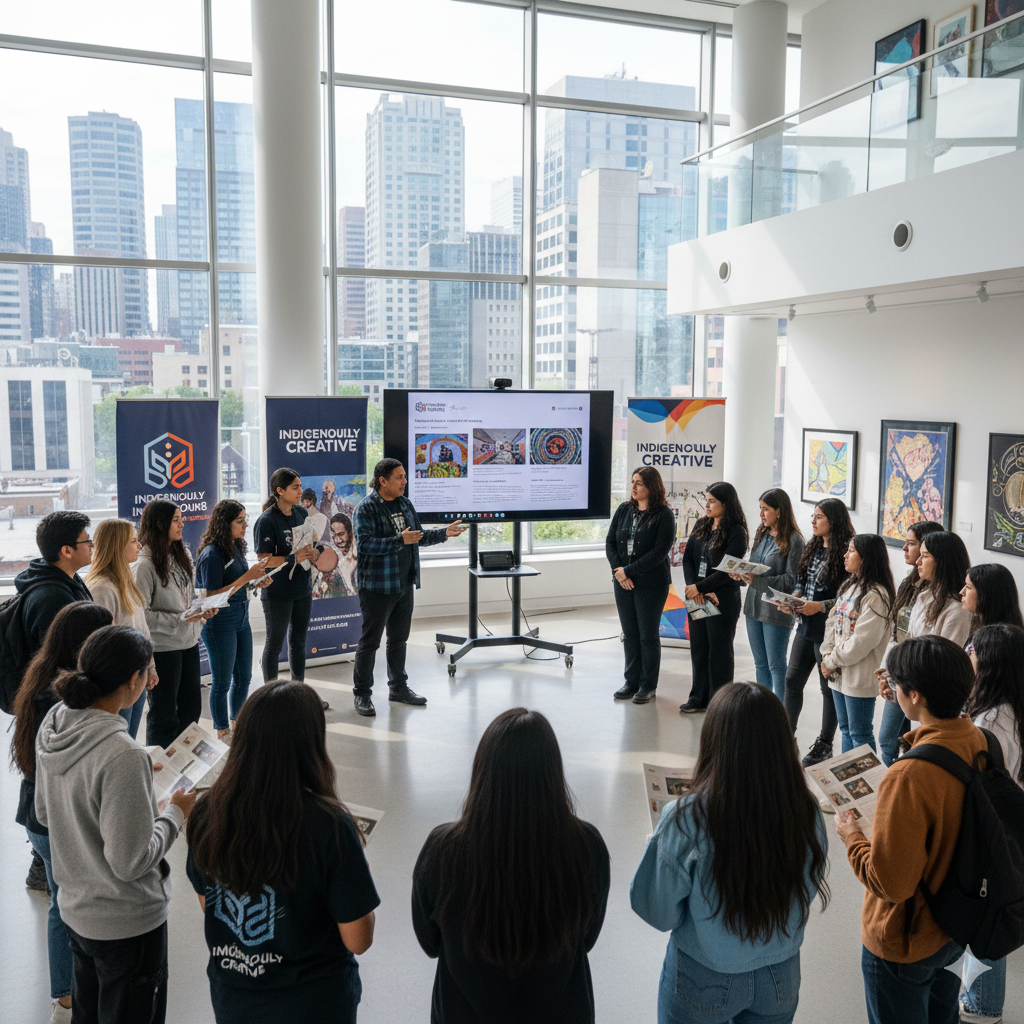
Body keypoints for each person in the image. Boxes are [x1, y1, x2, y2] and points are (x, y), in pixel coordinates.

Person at [631, 682, 830, 1024]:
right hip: (780, 975)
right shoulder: (806, 809)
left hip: (702, 976)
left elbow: (656, 911)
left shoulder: (685, 818)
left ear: (713, 742)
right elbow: (806, 888)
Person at [186, 681, 379, 1024]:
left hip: (235, 998)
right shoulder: (329, 825)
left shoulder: (205, 814)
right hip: (314, 1002)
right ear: (310, 744)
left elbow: (209, 904)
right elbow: (358, 939)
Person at [34, 624, 196, 1024]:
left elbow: (43, 812)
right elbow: (130, 861)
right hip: (126, 925)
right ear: (134, 680)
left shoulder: (56, 724)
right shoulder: (120, 755)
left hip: (77, 911)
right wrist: (175, 812)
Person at [412, 708, 610, 1024]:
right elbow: (586, 940)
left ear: (482, 772)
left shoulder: (441, 850)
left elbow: (430, 943)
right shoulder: (587, 847)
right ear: (553, 774)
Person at [836, 635, 987, 1024]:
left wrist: (852, 838)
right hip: (956, 923)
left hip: (907, 938)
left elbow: (892, 883)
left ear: (915, 695)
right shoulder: (978, 740)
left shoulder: (909, 775)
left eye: (896, 683)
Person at [11, 601, 113, 1024]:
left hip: (39, 814)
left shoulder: (43, 678)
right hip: (55, 817)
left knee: (61, 902)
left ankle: (66, 997)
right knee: (70, 905)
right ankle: (72, 995)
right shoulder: (64, 696)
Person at [11, 510, 94, 894]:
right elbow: (62, 663)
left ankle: (42, 860)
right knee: (45, 785)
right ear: (66, 550)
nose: (91, 546)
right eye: (85, 541)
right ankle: (41, 864)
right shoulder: (49, 597)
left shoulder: (70, 583)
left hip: (60, 704)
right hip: (51, 707)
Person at [350, 458, 465, 717]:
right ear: (383, 480)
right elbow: (365, 545)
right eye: (399, 477)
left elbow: (418, 537)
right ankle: (362, 694)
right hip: (377, 587)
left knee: (399, 640)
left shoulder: (405, 504)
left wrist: (445, 532)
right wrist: (398, 540)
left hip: (404, 584)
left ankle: (398, 688)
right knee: (370, 642)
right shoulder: (366, 509)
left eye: (404, 476)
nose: (405, 482)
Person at [959, 623, 1024, 1024]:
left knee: (987, 922)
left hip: (993, 833)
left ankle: (983, 1006)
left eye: (974, 650)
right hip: (1010, 830)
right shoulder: (1008, 706)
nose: (968, 655)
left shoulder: (992, 721)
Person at [876, 530, 971, 766]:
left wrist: (900, 678)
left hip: (932, 696)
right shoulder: (924, 596)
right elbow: (906, 640)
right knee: (889, 740)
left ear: (942, 562)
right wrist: (891, 674)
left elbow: (944, 665)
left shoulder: (956, 610)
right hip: (908, 683)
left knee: (922, 750)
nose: (918, 560)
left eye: (925, 555)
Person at [781, 497, 855, 766]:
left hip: (830, 633)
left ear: (833, 521)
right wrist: (796, 598)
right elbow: (802, 579)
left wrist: (819, 606)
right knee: (792, 681)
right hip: (805, 626)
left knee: (828, 690)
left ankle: (824, 744)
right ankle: (787, 737)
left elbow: (849, 598)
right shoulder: (812, 547)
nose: (813, 521)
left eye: (819, 517)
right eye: (813, 516)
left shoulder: (849, 552)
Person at [135, 500, 213, 749]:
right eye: (176, 520)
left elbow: (187, 598)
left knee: (192, 709)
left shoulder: (182, 553)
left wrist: (201, 608)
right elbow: (141, 615)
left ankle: (184, 764)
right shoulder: (144, 565)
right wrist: (181, 618)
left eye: (182, 518)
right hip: (162, 649)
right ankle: (159, 772)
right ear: (160, 524)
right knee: (164, 714)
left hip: (189, 641)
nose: (182, 524)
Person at [195, 500, 271, 739]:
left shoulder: (235, 547)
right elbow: (211, 596)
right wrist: (248, 576)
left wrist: (255, 581)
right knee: (221, 682)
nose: (245, 525)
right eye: (240, 521)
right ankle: (221, 730)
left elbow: (238, 583)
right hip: (220, 620)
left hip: (242, 616)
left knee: (244, 676)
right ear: (223, 523)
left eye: (245, 519)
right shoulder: (211, 554)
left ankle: (237, 723)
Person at [819, 535, 895, 755]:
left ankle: (867, 787)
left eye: (851, 551)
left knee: (859, 733)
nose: (845, 555)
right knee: (845, 729)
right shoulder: (849, 586)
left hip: (858, 678)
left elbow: (862, 642)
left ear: (866, 558)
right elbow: (832, 622)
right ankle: (848, 785)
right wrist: (826, 654)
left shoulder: (877, 595)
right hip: (838, 674)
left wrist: (831, 660)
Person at [253, 468, 324, 702]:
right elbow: (263, 561)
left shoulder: (302, 512)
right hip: (277, 592)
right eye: (295, 487)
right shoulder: (266, 520)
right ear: (279, 491)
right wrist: (294, 558)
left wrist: (313, 552)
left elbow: (311, 541)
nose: (300, 490)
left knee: (298, 642)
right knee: (274, 645)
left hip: (302, 589)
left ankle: (298, 695)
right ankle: (270, 698)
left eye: (300, 486)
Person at [605, 467, 675, 703]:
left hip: (651, 584)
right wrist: (619, 573)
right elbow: (611, 542)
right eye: (632, 482)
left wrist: (628, 571)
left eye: (640, 483)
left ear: (652, 487)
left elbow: (658, 553)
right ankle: (631, 681)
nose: (633, 487)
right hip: (623, 582)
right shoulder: (624, 509)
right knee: (630, 633)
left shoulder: (664, 515)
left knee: (647, 635)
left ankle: (647, 685)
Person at [679, 482, 748, 713]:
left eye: (711, 501)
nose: (706, 505)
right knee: (699, 648)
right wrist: (692, 586)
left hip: (721, 598)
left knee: (719, 652)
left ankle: (719, 702)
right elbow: (688, 558)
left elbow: (727, 571)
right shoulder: (701, 524)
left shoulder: (737, 531)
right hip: (697, 596)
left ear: (725, 504)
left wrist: (698, 587)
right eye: (706, 500)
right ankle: (698, 697)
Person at [733, 488, 805, 701]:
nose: (761, 514)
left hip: (775, 610)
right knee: (760, 664)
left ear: (779, 511)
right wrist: (743, 574)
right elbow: (755, 564)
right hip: (753, 608)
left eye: (766, 509)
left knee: (776, 666)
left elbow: (791, 580)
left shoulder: (795, 540)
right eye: (760, 509)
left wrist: (758, 581)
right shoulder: (761, 532)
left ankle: (781, 716)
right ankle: (762, 711)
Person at [85, 518, 151, 739]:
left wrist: (150, 666)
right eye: (133, 541)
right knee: (119, 742)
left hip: (135, 677)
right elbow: (102, 646)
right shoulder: (101, 589)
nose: (139, 545)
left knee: (129, 739)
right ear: (117, 546)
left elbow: (142, 629)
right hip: (117, 685)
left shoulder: (126, 581)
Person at [960, 562, 1023, 651]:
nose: (962, 592)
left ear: (987, 594)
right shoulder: (979, 624)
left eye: (968, 587)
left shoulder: (1001, 641)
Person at [314, 512, 359, 599]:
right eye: (334, 535)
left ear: (349, 532)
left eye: (341, 534)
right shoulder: (330, 552)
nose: (337, 539)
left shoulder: (358, 549)